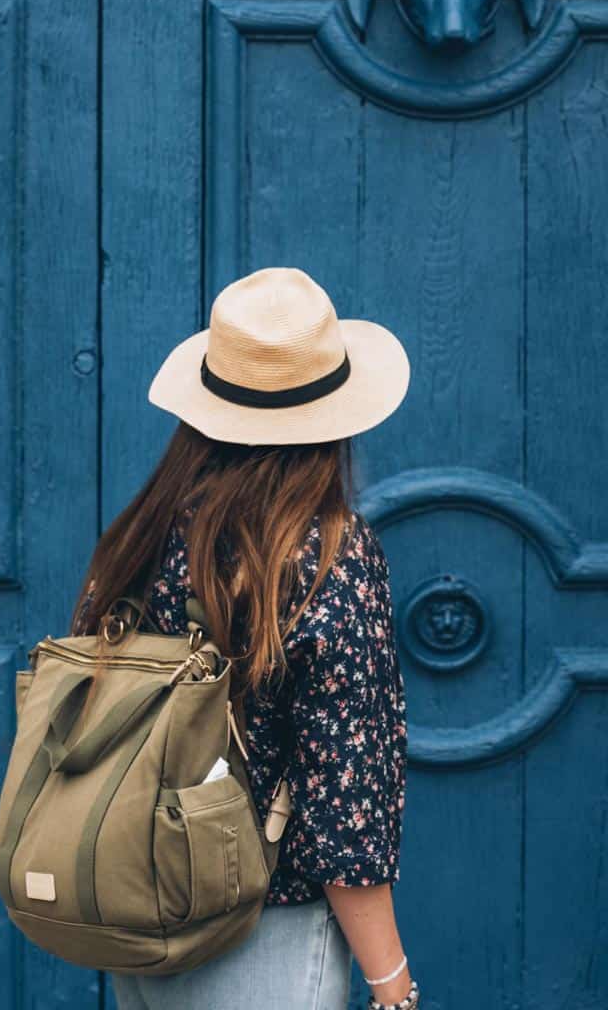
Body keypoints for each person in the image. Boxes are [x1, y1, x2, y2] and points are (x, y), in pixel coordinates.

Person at [68, 266, 418, 1010]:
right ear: (333, 415)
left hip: (143, 915)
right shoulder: (327, 555)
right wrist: (393, 985)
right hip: (265, 932)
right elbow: (345, 798)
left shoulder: (144, 535)